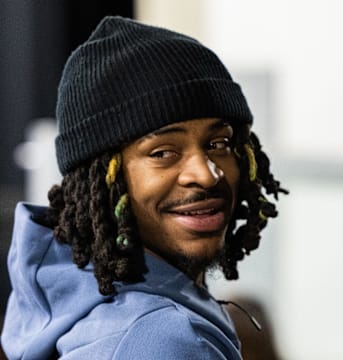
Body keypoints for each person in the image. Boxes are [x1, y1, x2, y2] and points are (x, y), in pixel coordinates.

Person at [1, 16, 287, 359]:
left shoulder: (69, 307)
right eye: (163, 152)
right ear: (103, 180)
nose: (206, 174)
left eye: (218, 143)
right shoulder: (164, 340)